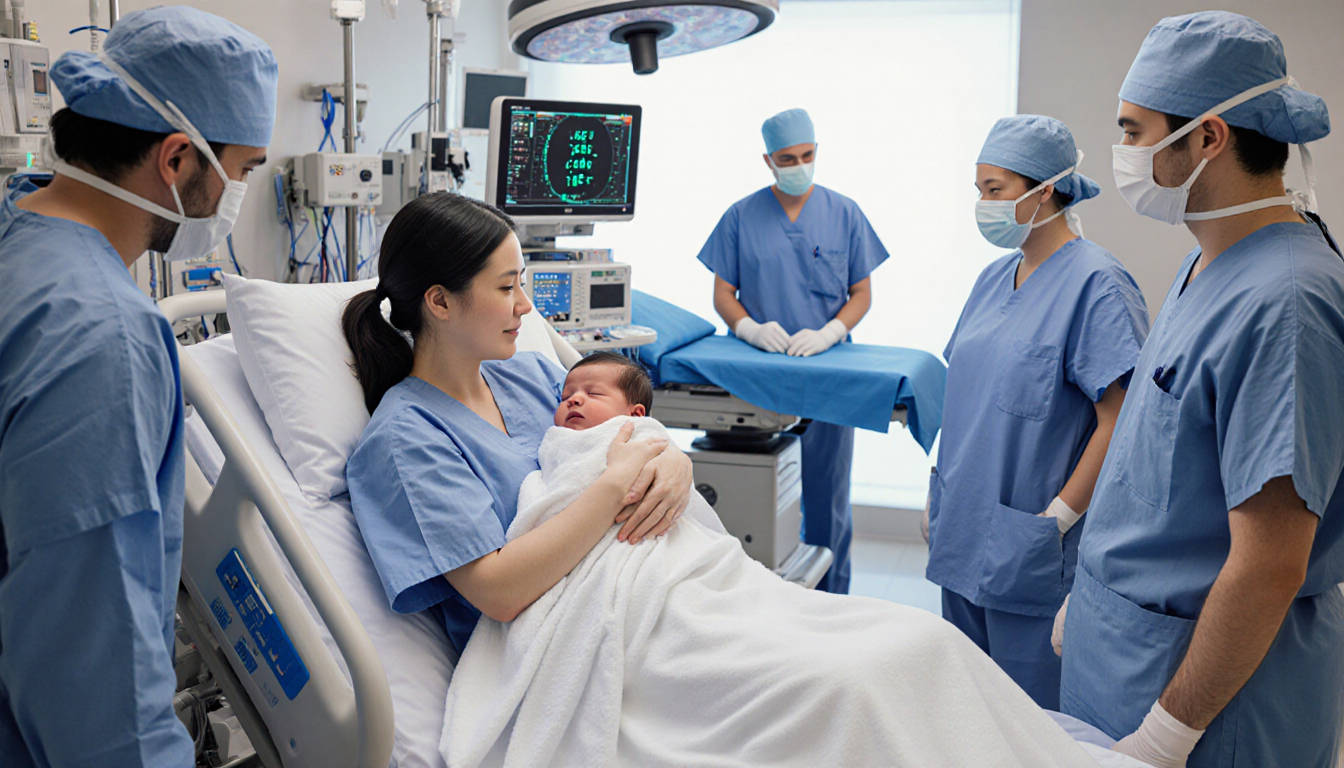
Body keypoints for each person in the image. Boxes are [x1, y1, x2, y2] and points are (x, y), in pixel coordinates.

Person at [1055, 12, 1344, 768]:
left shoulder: (1286, 303)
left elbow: (1271, 560)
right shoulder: (1208, 264)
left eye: (1133, 130)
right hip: (1129, 656)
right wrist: (1089, 602)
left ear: (1208, 137)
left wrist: (1167, 735)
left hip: (1211, 706)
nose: (1123, 153)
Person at [0, 7, 276, 766]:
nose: (238, 194)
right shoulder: (103, 340)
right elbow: (96, 677)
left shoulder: (18, 233)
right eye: (244, 171)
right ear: (179, 159)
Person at [342, 193, 693, 654]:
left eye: (521, 285)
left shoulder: (534, 374)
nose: (525, 306)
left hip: (651, 588)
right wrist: (616, 486)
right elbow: (498, 591)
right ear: (440, 302)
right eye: (507, 288)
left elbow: (630, 435)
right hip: (569, 639)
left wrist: (676, 461)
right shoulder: (407, 436)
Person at [924, 115, 1150, 710]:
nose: (981, 204)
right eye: (979, 190)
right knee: (963, 715)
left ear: (1044, 189)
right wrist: (940, 494)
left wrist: (1057, 518)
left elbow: (1121, 419)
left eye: (994, 190)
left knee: (1028, 726)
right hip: (964, 531)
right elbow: (967, 394)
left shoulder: (1098, 285)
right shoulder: (992, 278)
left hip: (1031, 550)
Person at [695, 108, 889, 593]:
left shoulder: (844, 213)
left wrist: (829, 333)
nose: (799, 164)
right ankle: (761, 601)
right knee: (761, 493)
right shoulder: (741, 215)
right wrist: (748, 329)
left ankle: (831, 603)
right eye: (787, 158)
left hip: (828, 374)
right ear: (768, 160)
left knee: (828, 499)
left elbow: (861, 293)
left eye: (807, 155)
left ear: (816, 152)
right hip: (759, 375)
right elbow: (723, 294)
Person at [554, 352, 652, 430]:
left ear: (634, 415)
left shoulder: (646, 447)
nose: (573, 399)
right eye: (565, 397)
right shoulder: (552, 445)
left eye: (593, 393)